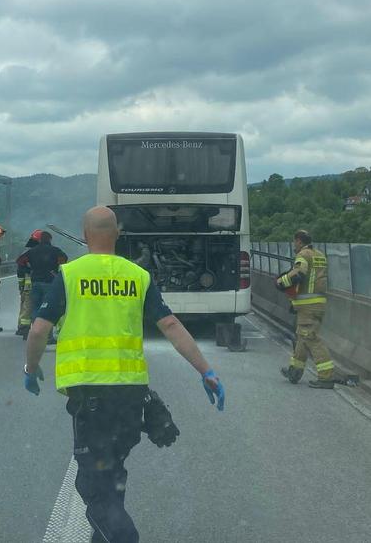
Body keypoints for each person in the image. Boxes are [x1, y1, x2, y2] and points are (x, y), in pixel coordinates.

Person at [23, 206, 224, 543]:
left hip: (91, 396)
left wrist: (31, 368)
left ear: (85, 236)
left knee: (93, 487)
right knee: (112, 473)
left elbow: (39, 329)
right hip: (132, 397)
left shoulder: (70, 275)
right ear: (117, 234)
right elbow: (171, 325)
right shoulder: (138, 276)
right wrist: (207, 371)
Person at [277, 229, 334, 388]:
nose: (294, 245)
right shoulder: (320, 255)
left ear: (299, 241)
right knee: (302, 338)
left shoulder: (303, 255)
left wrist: (281, 281)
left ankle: (326, 377)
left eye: (294, 242)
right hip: (318, 304)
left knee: (312, 338)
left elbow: (299, 274)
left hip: (308, 306)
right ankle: (295, 371)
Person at [21, 230, 68, 335]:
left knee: (35, 308)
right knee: (48, 308)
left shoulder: (32, 251)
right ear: (50, 239)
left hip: (35, 283)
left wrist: (29, 269)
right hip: (49, 282)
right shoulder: (55, 250)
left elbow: (20, 261)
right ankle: (48, 336)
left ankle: (35, 331)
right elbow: (64, 259)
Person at [15, 230, 42, 336]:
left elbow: (20, 271)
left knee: (26, 306)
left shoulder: (27, 253)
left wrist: (21, 286)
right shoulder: (37, 253)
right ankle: (24, 328)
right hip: (33, 283)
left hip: (28, 284)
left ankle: (23, 327)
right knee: (29, 306)